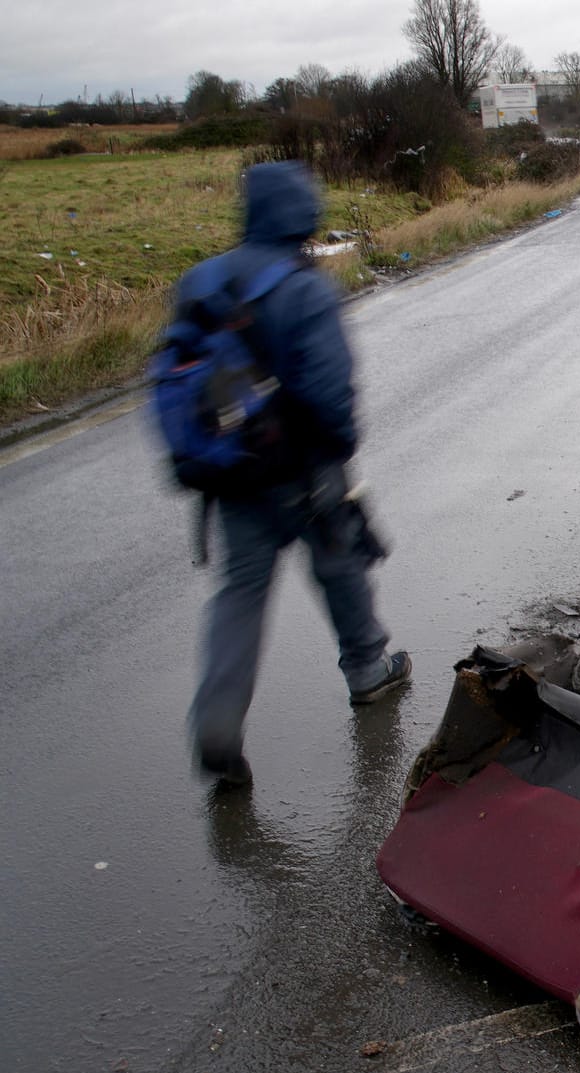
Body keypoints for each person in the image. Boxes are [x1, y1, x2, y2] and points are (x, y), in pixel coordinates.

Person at [186, 161, 409, 788]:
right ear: (303, 214)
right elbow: (330, 392)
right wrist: (337, 455)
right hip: (305, 470)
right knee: (340, 565)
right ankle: (368, 671)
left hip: (231, 479)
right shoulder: (304, 288)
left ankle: (217, 721)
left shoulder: (202, 280)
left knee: (240, 595)